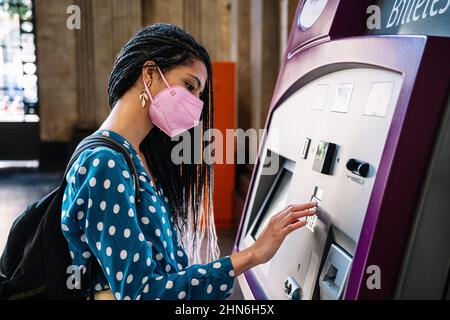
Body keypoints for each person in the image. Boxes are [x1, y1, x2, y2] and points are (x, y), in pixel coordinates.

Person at [61, 23, 317, 300]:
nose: (196, 105)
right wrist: (252, 256)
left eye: (199, 94)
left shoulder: (137, 156)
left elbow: (164, 275)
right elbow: (143, 293)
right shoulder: (105, 163)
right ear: (149, 74)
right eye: (189, 85)